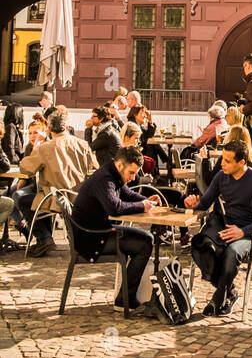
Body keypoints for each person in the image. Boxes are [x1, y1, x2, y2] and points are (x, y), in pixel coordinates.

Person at [184, 139, 252, 317]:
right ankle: (230, 291)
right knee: (200, 244)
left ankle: (218, 299)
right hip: (225, 226)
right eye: (222, 159)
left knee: (231, 253)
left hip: (251, 232)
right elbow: (205, 202)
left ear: (241, 163)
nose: (222, 164)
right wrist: (193, 203)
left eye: (227, 161)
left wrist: (242, 231)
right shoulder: (221, 177)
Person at [71, 147, 159, 312]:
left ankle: (126, 296)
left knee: (145, 238)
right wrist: (142, 206)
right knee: (145, 242)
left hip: (97, 231)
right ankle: (125, 299)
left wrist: (146, 200)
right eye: (131, 173)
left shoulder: (111, 173)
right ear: (120, 165)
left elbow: (126, 194)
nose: (133, 178)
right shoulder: (105, 179)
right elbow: (115, 209)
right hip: (90, 240)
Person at [15, 110, 99, 256]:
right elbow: (95, 168)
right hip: (79, 196)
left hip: (55, 198)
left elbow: (26, 168)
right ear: (66, 127)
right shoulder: (82, 144)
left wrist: (35, 148)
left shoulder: (45, 148)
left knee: (23, 200)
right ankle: (50, 239)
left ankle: (44, 238)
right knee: (36, 198)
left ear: (49, 128)